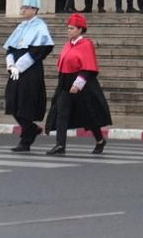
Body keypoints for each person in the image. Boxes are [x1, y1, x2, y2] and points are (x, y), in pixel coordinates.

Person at [45, 14, 111, 156]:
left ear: (80, 30)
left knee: (89, 114)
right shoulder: (68, 44)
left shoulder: (86, 44)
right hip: (65, 82)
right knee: (62, 112)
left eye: (72, 28)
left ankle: (99, 139)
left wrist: (77, 84)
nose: (69, 31)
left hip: (82, 84)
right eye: (68, 28)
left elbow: (88, 67)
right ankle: (60, 145)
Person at [4, 0, 54, 152]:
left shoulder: (40, 27)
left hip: (30, 70)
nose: (23, 10)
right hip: (15, 70)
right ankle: (31, 128)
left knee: (25, 104)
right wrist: (11, 63)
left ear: (34, 9)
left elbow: (38, 50)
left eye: (25, 7)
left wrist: (20, 65)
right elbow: (11, 47)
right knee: (13, 101)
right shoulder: (21, 26)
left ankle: (25, 140)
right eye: (22, 7)